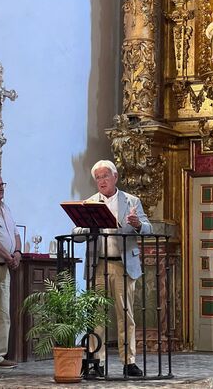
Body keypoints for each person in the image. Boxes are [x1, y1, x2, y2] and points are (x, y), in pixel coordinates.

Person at [73, 160, 152, 377]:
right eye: (98, 178)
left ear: (115, 177)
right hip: (98, 264)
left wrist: (137, 224)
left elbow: (148, 229)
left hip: (122, 264)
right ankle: (95, 361)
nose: (101, 181)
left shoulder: (131, 200)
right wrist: (86, 226)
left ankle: (129, 362)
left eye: (105, 176)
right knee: (96, 315)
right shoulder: (89, 202)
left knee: (125, 314)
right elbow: (77, 233)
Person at [0, 172, 21, 369]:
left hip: (5, 267)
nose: (1, 188)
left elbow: (15, 233)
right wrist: (8, 257)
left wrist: (16, 252)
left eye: (2, 184)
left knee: (2, 313)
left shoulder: (5, 208)